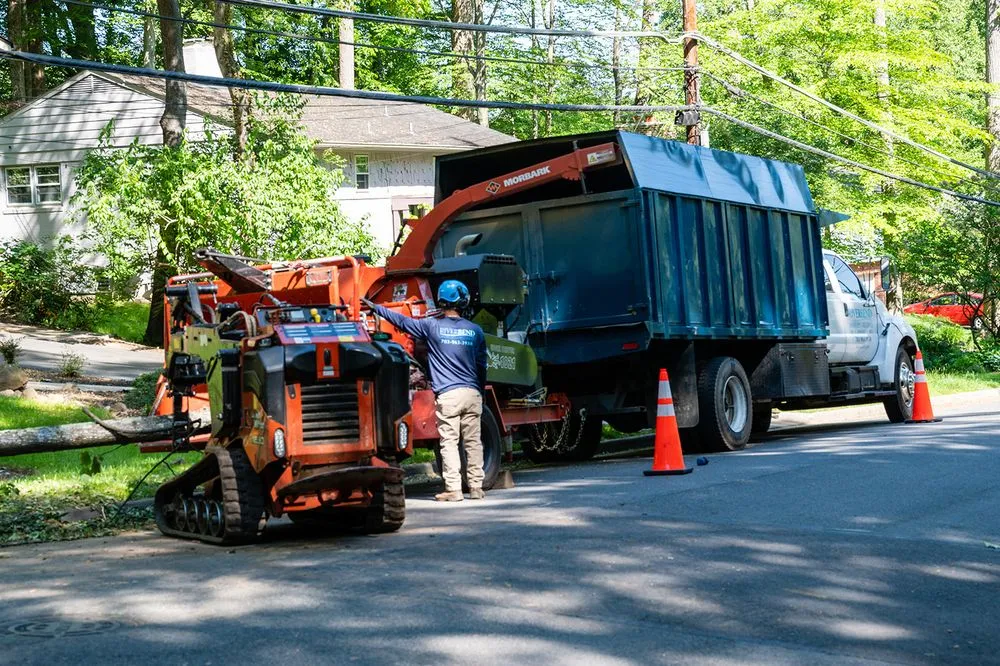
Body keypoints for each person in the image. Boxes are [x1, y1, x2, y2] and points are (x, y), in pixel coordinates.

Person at [362, 280, 488, 501]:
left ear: (441, 302)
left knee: (449, 442)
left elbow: (402, 321)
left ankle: (454, 490)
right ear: (463, 301)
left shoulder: (431, 327)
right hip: (472, 392)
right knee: (473, 441)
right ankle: (477, 487)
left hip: (448, 394)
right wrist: (480, 390)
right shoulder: (475, 331)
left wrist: (376, 308)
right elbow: (481, 365)